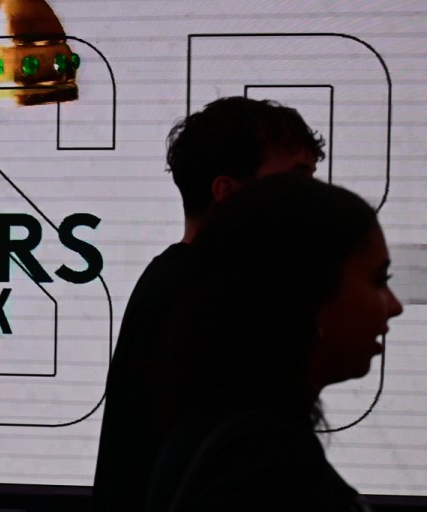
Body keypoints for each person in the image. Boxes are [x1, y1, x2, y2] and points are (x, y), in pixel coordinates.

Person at [91, 97, 325, 512]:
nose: (316, 197)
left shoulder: (180, 283)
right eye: (297, 177)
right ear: (227, 193)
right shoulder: (199, 297)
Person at [142, 174, 402, 511]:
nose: (394, 305)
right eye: (378, 280)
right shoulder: (266, 465)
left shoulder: (218, 425)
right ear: (308, 293)